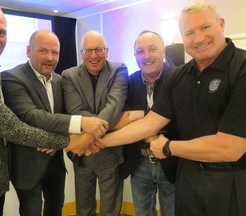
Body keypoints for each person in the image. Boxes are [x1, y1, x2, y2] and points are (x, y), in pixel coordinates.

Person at [98, 1, 246, 216]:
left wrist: (168, 147)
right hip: (187, 179)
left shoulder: (241, 68)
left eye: (205, 27)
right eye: (189, 32)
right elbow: (150, 123)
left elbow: (230, 147)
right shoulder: (179, 76)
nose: (198, 38)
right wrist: (100, 142)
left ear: (221, 25)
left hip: (230, 182)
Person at [0, 2, 99, 216]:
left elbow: (65, 113)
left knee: (56, 208)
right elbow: (21, 123)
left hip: (4, 178)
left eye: (1, 32)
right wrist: (72, 139)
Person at [1, 30, 108, 216]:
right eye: (43, 51)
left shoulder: (60, 80)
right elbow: (31, 116)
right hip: (28, 167)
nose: (50, 58)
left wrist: (56, 141)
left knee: (56, 209)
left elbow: (65, 115)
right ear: (28, 51)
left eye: (55, 52)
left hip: (56, 164)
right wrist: (83, 122)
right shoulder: (12, 77)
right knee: (31, 211)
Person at [61, 30, 128, 216]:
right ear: (81, 53)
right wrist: (88, 138)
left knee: (110, 210)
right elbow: (75, 111)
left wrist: (88, 136)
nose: (93, 55)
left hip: (109, 152)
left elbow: (114, 106)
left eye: (98, 50)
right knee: (83, 209)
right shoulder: (69, 76)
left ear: (106, 51)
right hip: (82, 155)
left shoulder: (119, 70)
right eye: (88, 51)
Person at [118, 30, 179, 216]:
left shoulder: (178, 77)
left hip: (172, 162)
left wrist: (141, 121)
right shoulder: (130, 81)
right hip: (139, 162)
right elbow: (123, 119)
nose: (146, 56)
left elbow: (182, 120)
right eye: (140, 51)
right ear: (135, 55)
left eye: (152, 49)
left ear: (164, 52)